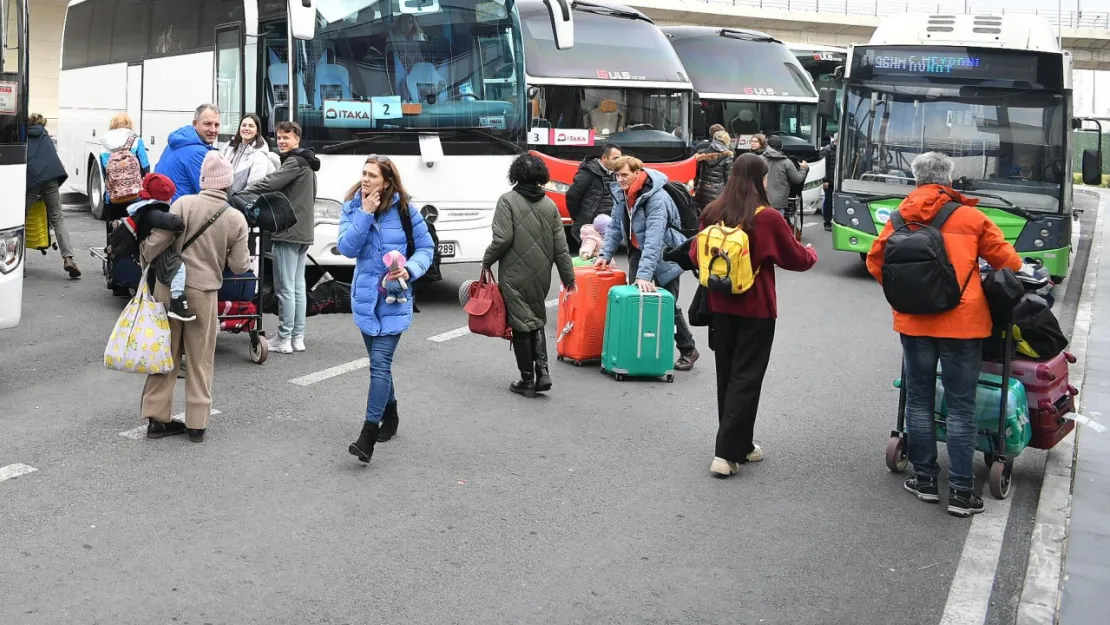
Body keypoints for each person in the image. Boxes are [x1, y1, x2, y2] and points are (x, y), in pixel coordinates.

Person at [866, 152, 1022, 518]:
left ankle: (924, 481)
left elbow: (877, 261)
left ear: (916, 179)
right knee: (962, 406)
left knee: (918, 401)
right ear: (950, 180)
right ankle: (962, 493)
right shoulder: (972, 217)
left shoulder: (900, 216)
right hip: (964, 325)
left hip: (915, 323)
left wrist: (907, 295)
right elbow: (1009, 264)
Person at [692, 154, 817, 478]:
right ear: (760, 180)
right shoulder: (767, 217)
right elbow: (796, 258)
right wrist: (813, 251)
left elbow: (695, 253)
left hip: (720, 305)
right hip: (756, 308)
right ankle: (726, 453)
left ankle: (742, 444)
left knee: (728, 376)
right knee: (747, 378)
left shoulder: (712, 212)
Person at [140, 152, 251, 443]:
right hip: (203, 293)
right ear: (227, 184)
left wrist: (143, 256)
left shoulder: (183, 204)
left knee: (166, 353)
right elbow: (240, 266)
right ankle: (197, 424)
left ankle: (156, 418)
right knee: (200, 358)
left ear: (203, 180)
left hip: (168, 288)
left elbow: (159, 241)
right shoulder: (235, 218)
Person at [337, 155, 435, 463]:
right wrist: (364, 214)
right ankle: (390, 412)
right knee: (379, 364)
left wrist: (412, 269)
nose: (365, 180)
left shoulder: (406, 211)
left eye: (372, 176)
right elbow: (346, 248)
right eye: (364, 174)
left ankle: (367, 434)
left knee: (379, 364)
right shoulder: (352, 206)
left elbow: (425, 248)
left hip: (396, 299)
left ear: (387, 182)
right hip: (365, 299)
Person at [482, 154, 577, 397]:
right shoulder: (550, 206)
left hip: (514, 273)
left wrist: (487, 261)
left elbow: (502, 239)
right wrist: (569, 278)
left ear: (515, 174)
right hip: (541, 273)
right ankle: (542, 370)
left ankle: (527, 379)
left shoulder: (507, 201)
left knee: (521, 324)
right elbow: (561, 248)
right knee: (535, 317)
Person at [595, 156, 699, 372]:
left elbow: (654, 238)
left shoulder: (657, 198)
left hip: (667, 253)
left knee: (666, 305)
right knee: (636, 301)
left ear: (637, 172)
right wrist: (604, 255)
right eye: (616, 175)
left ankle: (688, 349)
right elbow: (615, 227)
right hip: (638, 251)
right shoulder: (622, 193)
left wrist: (644, 275)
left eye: (624, 175)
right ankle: (638, 349)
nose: (619, 179)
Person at [244, 121, 320, 355]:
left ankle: (284, 338)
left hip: (288, 231)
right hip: (304, 232)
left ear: (297, 139)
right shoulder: (308, 163)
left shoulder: (294, 162)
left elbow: (271, 182)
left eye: (286, 137)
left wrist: (245, 191)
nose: (282, 141)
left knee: (285, 288)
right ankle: (298, 336)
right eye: (279, 137)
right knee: (298, 287)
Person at [107, 173, 195, 321]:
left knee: (153, 283)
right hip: (150, 253)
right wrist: (180, 222)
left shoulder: (145, 209)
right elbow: (169, 221)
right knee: (177, 268)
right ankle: (177, 301)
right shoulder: (152, 211)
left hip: (144, 252)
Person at [25, 113, 80, 278]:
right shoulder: (44, 135)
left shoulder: (23, 135)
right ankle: (68, 258)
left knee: (20, 220)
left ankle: (18, 263)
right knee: (57, 218)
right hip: (50, 179)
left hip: (32, 180)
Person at [155, 104, 221, 203]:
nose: (213, 130)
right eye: (207, 124)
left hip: (164, 209)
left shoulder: (178, 142)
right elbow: (212, 198)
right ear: (195, 123)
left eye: (216, 125)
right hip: (181, 213)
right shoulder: (197, 152)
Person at [99, 112, 152, 231]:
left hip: (113, 196)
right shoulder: (136, 140)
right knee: (134, 227)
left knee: (113, 226)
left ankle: (112, 247)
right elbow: (145, 167)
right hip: (135, 194)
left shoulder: (104, 144)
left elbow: (105, 172)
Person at [565, 143, 620, 242]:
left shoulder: (616, 174)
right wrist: (578, 217)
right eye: (615, 158)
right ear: (604, 158)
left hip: (608, 227)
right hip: (590, 227)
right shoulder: (588, 172)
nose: (619, 162)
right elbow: (572, 195)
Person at [221, 113, 279, 193]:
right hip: (224, 198)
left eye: (251, 126)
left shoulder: (260, 154)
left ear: (257, 131)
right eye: (244, 125)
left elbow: (253, 185)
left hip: (240, 201)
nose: (246, 128)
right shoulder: (229, 146)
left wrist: (237, 200)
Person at [760, 134, 808, 216]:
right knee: (777, 226)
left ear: (767, 146)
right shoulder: (786, 162)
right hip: (779, 203)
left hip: (760, 201)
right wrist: (803, 168)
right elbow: (797, 180)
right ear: (781, 147)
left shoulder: (758, 159)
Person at [694, 129, 734, 211]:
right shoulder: (727, 156)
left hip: (701, 191)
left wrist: (696, 188)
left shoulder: (702, 153)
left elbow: (697, 174)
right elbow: (729, 179)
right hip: (718, 193)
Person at [820, 134, 837, 231]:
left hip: (839, 180)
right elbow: (823, 166)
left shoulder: (843, 148)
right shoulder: (826, 150)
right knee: (828, 201)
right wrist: (825, 180)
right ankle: (827, 221)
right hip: (829, 180)